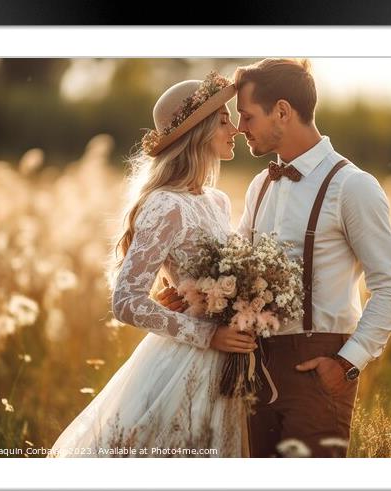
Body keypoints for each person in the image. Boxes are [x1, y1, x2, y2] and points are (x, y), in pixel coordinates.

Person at [158, 58, 391, 458]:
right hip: (251, 366)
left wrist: (346, 364)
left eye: (246, 115)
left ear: (282, 111)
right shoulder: (260, 185)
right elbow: (235, 270)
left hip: (319, 366)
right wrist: (192, 297)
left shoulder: (353, 186)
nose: (239, 128)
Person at [47, 71, 255, 458]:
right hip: (186, 363)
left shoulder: (218, 202)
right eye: (224, 120)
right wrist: (208, 335)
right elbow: (125, 301)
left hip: (229, 365)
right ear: (201, 129)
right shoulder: (165, 204)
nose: (236, 129)